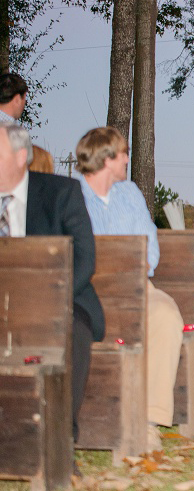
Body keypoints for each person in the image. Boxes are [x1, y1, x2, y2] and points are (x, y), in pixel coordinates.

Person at [0, 122, 105, 458]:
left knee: (69, 331)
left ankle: (60, 443)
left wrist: (46, 301)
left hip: (65, 301)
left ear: (20, 156)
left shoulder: (61, 192)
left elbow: (85, 258)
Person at [75, 126, 183, 451]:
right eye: (124, 154)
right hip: (87, 291)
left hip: (136, 287)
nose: (127, 160)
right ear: (108, 158)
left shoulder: (131, 193)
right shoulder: (69, 194)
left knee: (166, 314)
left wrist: (133, 271)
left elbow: (149, 248)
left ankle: (148, 422)